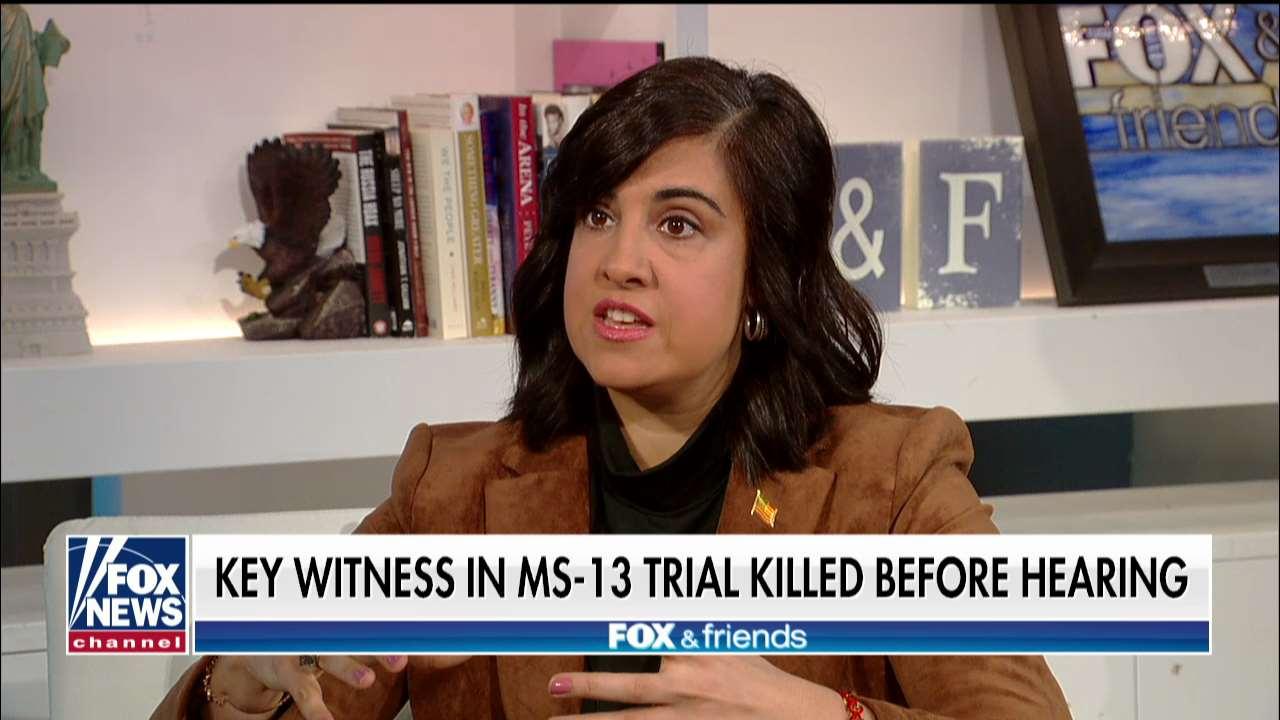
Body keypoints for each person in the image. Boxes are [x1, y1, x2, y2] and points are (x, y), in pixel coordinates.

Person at [153, 57, 1071, 720]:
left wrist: (820, 713)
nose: (619, 261)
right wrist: (238, 688)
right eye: (598, 215)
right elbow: (311, 683)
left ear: (764, 281)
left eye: (678, 225)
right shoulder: (453, 491)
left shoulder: (893, 485)